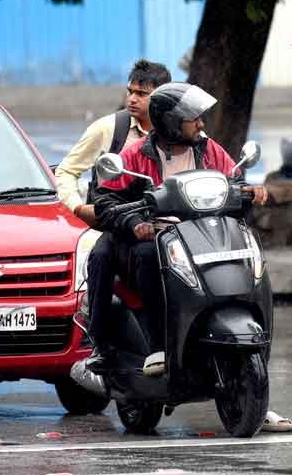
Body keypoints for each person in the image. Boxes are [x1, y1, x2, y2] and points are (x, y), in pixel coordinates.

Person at [90, 83, 267, 374]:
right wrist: (136, 224)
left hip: (199, 237)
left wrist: (249, 192)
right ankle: (152, 344)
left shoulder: (207, 149)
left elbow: (231, 182)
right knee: (144, 255)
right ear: (171, 122)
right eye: (193, 118)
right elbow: (105, 198)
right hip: (153, 238)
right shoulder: (137, 156)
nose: (201, 123)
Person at [55, 60, 171, 228]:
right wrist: (78, 208)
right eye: (130, 92)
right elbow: (66, 171)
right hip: (114, 224)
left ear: (163, 96)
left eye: (141, 94)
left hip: (166, 224)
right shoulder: (107, 128)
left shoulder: (178, 130)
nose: (131, 99)